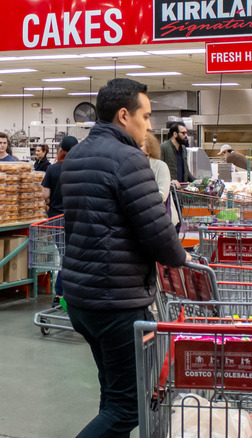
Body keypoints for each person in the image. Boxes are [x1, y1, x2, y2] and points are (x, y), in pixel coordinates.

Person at [61, 78, 190, 437]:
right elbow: (157, 231)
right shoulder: (130, 159)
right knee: (128, 406)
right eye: (145, 116)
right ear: (123, 115)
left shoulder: (77, 156)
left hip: (81, 296)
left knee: (112, 396)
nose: (149, 125)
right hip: (116, 300)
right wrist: (183, 258)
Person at [40, 135, 78, 307]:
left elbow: (45, 194)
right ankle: (65, 294)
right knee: (71, 257)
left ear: (61, 149)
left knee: (64, 256)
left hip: (55, 218)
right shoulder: (80, 169)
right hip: (75, 218)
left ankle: (60, 294)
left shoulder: (53, 169)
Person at [144, 133, 180, 229]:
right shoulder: (134, 167)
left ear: (149, 149)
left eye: (140, 145)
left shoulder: (160, 166)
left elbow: (162, 195)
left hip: (164, 222)